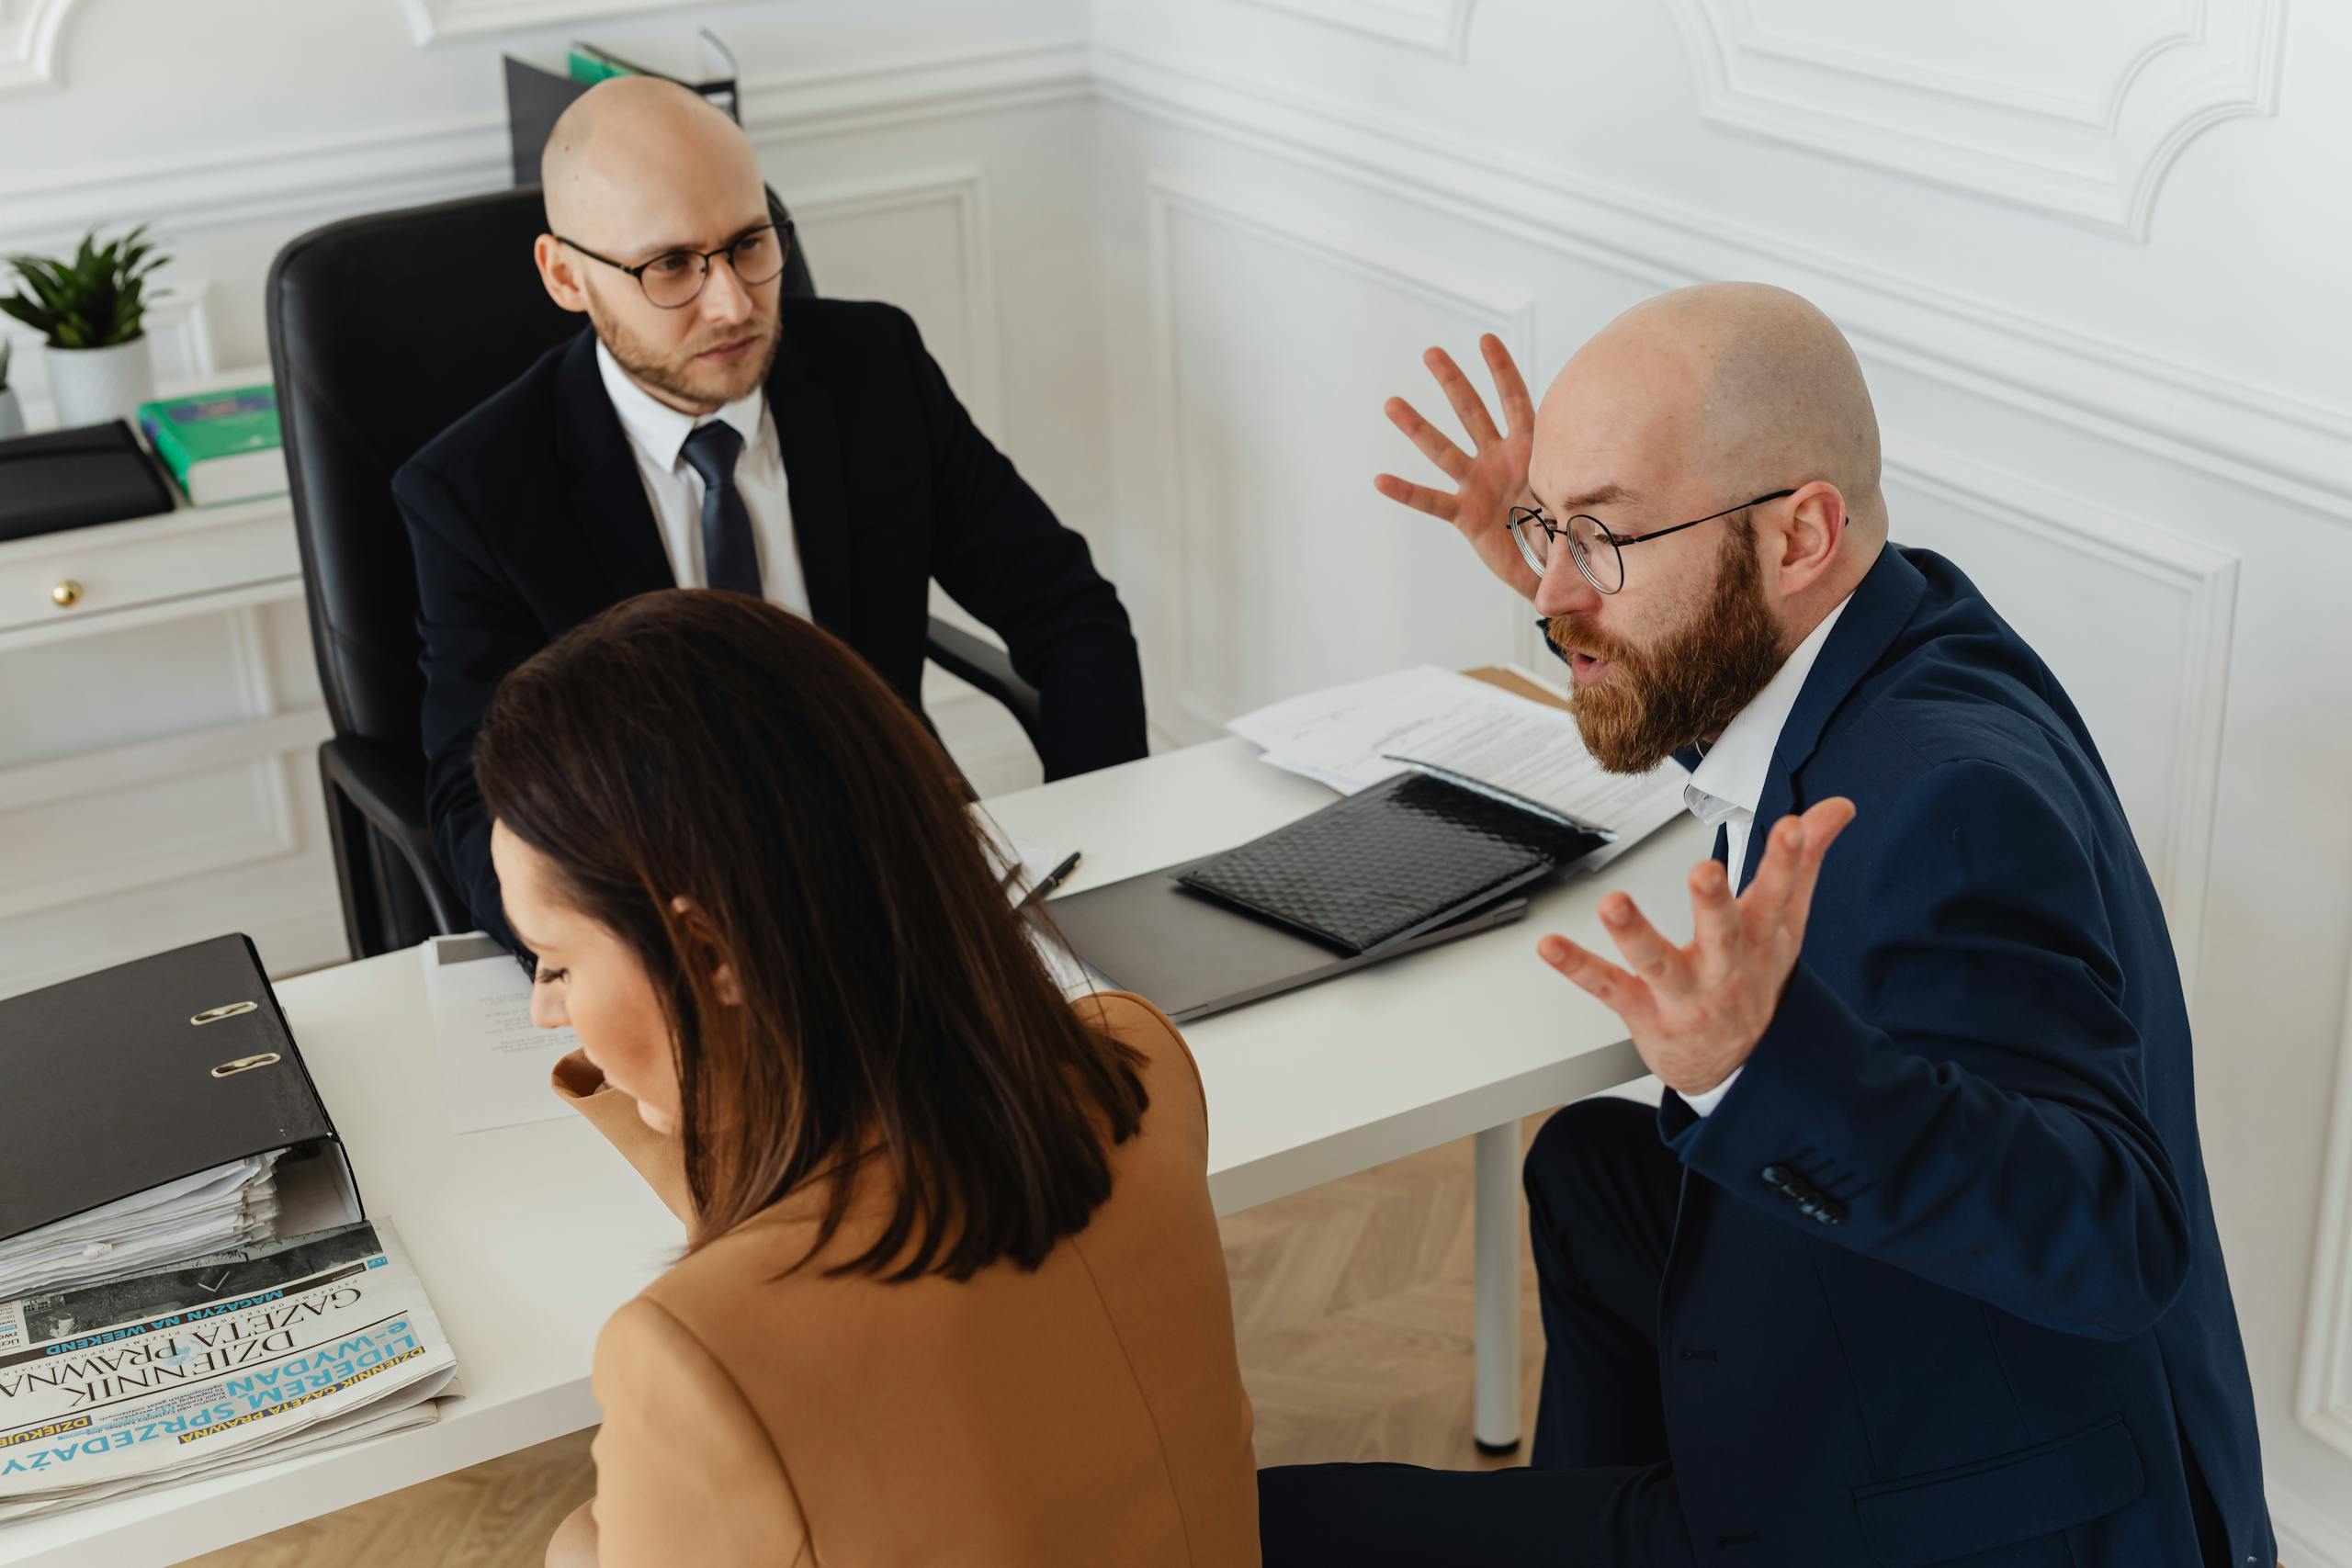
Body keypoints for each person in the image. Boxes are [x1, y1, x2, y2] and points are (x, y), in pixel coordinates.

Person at [1254, 284, 2272, 1567]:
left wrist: (1758, 1062)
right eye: (1550, 529)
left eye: (1605, 538)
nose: (1553, 592)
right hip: (1924, 1358)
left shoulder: (1945, 802)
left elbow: (2119, 1236)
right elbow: (1718, 680)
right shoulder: (1896, 630)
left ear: (1800, 535)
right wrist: (1575, 567)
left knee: (1257, 1529)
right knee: (1586, 1175)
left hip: (1973, 1504)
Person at [471, 589, 1256, 1568]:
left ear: (711, 954)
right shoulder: (1134, 1060)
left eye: (553, 965)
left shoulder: (693, 1355)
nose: (547, 1010)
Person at [398, 76, 1147, 953]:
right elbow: (472, 795)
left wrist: (1104, 851)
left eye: (750, 243)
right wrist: (615, 952)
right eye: (670, 265)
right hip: (674, 913)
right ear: (566, 275)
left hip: (903, 868)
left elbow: (1070, 613)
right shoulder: (476, 490)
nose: (732, 304)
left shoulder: (876, 371)